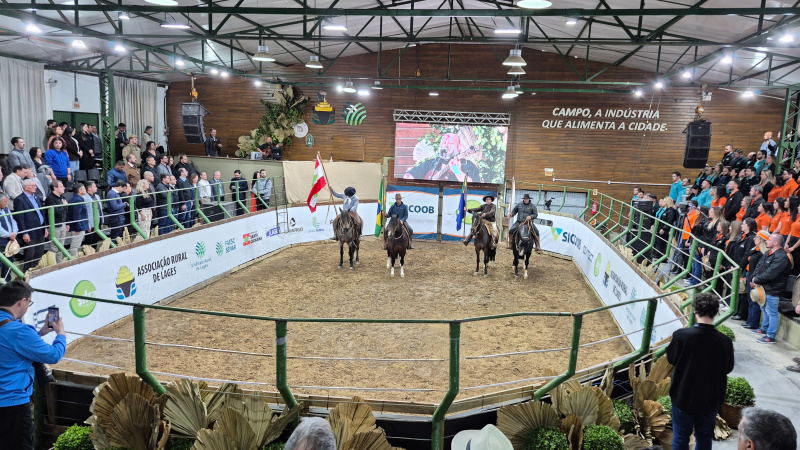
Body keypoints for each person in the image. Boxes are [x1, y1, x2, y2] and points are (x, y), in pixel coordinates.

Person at [0, 280, 66, 450]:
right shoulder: (19, 331)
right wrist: (60, 334)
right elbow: (53, 355)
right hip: (11, 404)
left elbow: (9, 346)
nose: (28, 306)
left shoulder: (14, 330)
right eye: (29, 302)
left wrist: (41, 332)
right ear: (22, 302)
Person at [666, 292, 734, 450]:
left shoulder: (681, 336)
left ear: (695, 310)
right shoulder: (725, 341)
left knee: (681, 437)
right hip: (710, 399)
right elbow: (728, 368)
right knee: (704, 438)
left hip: (683, 396)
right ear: (716, 312)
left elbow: (671, 359)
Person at [750, 232, 791, 344]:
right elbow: (759, 266)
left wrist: (757, 280)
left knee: (771, 312)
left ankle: (770, 336)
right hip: (763, 287)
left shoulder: (781, 257)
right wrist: (754, 278)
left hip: (773, 289)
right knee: (764, 309)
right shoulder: (768, 252)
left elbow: (771, 273)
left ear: (776, 242)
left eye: (769, 240)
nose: (766, 241)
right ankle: (764, 329)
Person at [13, 179, 48, 272]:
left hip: (40, 229)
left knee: (39, 254)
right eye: (32, 186)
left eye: (35, 185)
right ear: (25, 187)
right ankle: (27, 275)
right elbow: (19, 218)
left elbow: (41, 213)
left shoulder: (36, 197)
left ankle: (36, 272)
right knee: (30, 256)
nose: (35, 187)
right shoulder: (19, 200)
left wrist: (45, 227)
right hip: (29, 231)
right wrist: (24, 233)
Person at [44, 180, 69, 263]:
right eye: (61, 186)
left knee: (61, 246)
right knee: (54, 247)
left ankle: (59, 263)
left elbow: (66, 211)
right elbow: (56, 212)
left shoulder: (62, 197)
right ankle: (51, 263)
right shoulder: (50, 198)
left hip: (63, 224)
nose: (64, 188)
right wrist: (63, 206)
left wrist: (67, 223)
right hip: (55, 226)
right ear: (55, 188)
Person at [0, 194, 19, 280]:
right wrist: (9, 235)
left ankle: (7, 281)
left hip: (10, 240)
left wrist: (14, 232)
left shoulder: (6, 210)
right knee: (3, 262)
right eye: (5, 201)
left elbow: (13, 221)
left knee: (9, 263)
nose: (7, 203)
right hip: (2, 241)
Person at [67, 183, 88, 256]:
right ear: (80, 190)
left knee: (76, 245)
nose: (86, 190)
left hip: (80, 225)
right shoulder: (77, 200)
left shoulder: (77, 199)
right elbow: (76, 215)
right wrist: (78, 228)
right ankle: (73, 259)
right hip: (78, 227)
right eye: (84, 188)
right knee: (75, 245)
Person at [82, 181, 102, 248]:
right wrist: (88, 224)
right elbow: (85, 212)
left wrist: (102, 221)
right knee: (89, 240)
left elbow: (100, 209)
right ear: (89, 188)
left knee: (96, 240)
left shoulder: (97, 196)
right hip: (91, 223)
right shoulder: (84, 198)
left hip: (98, 221)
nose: (96, 188)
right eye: (94, 186)